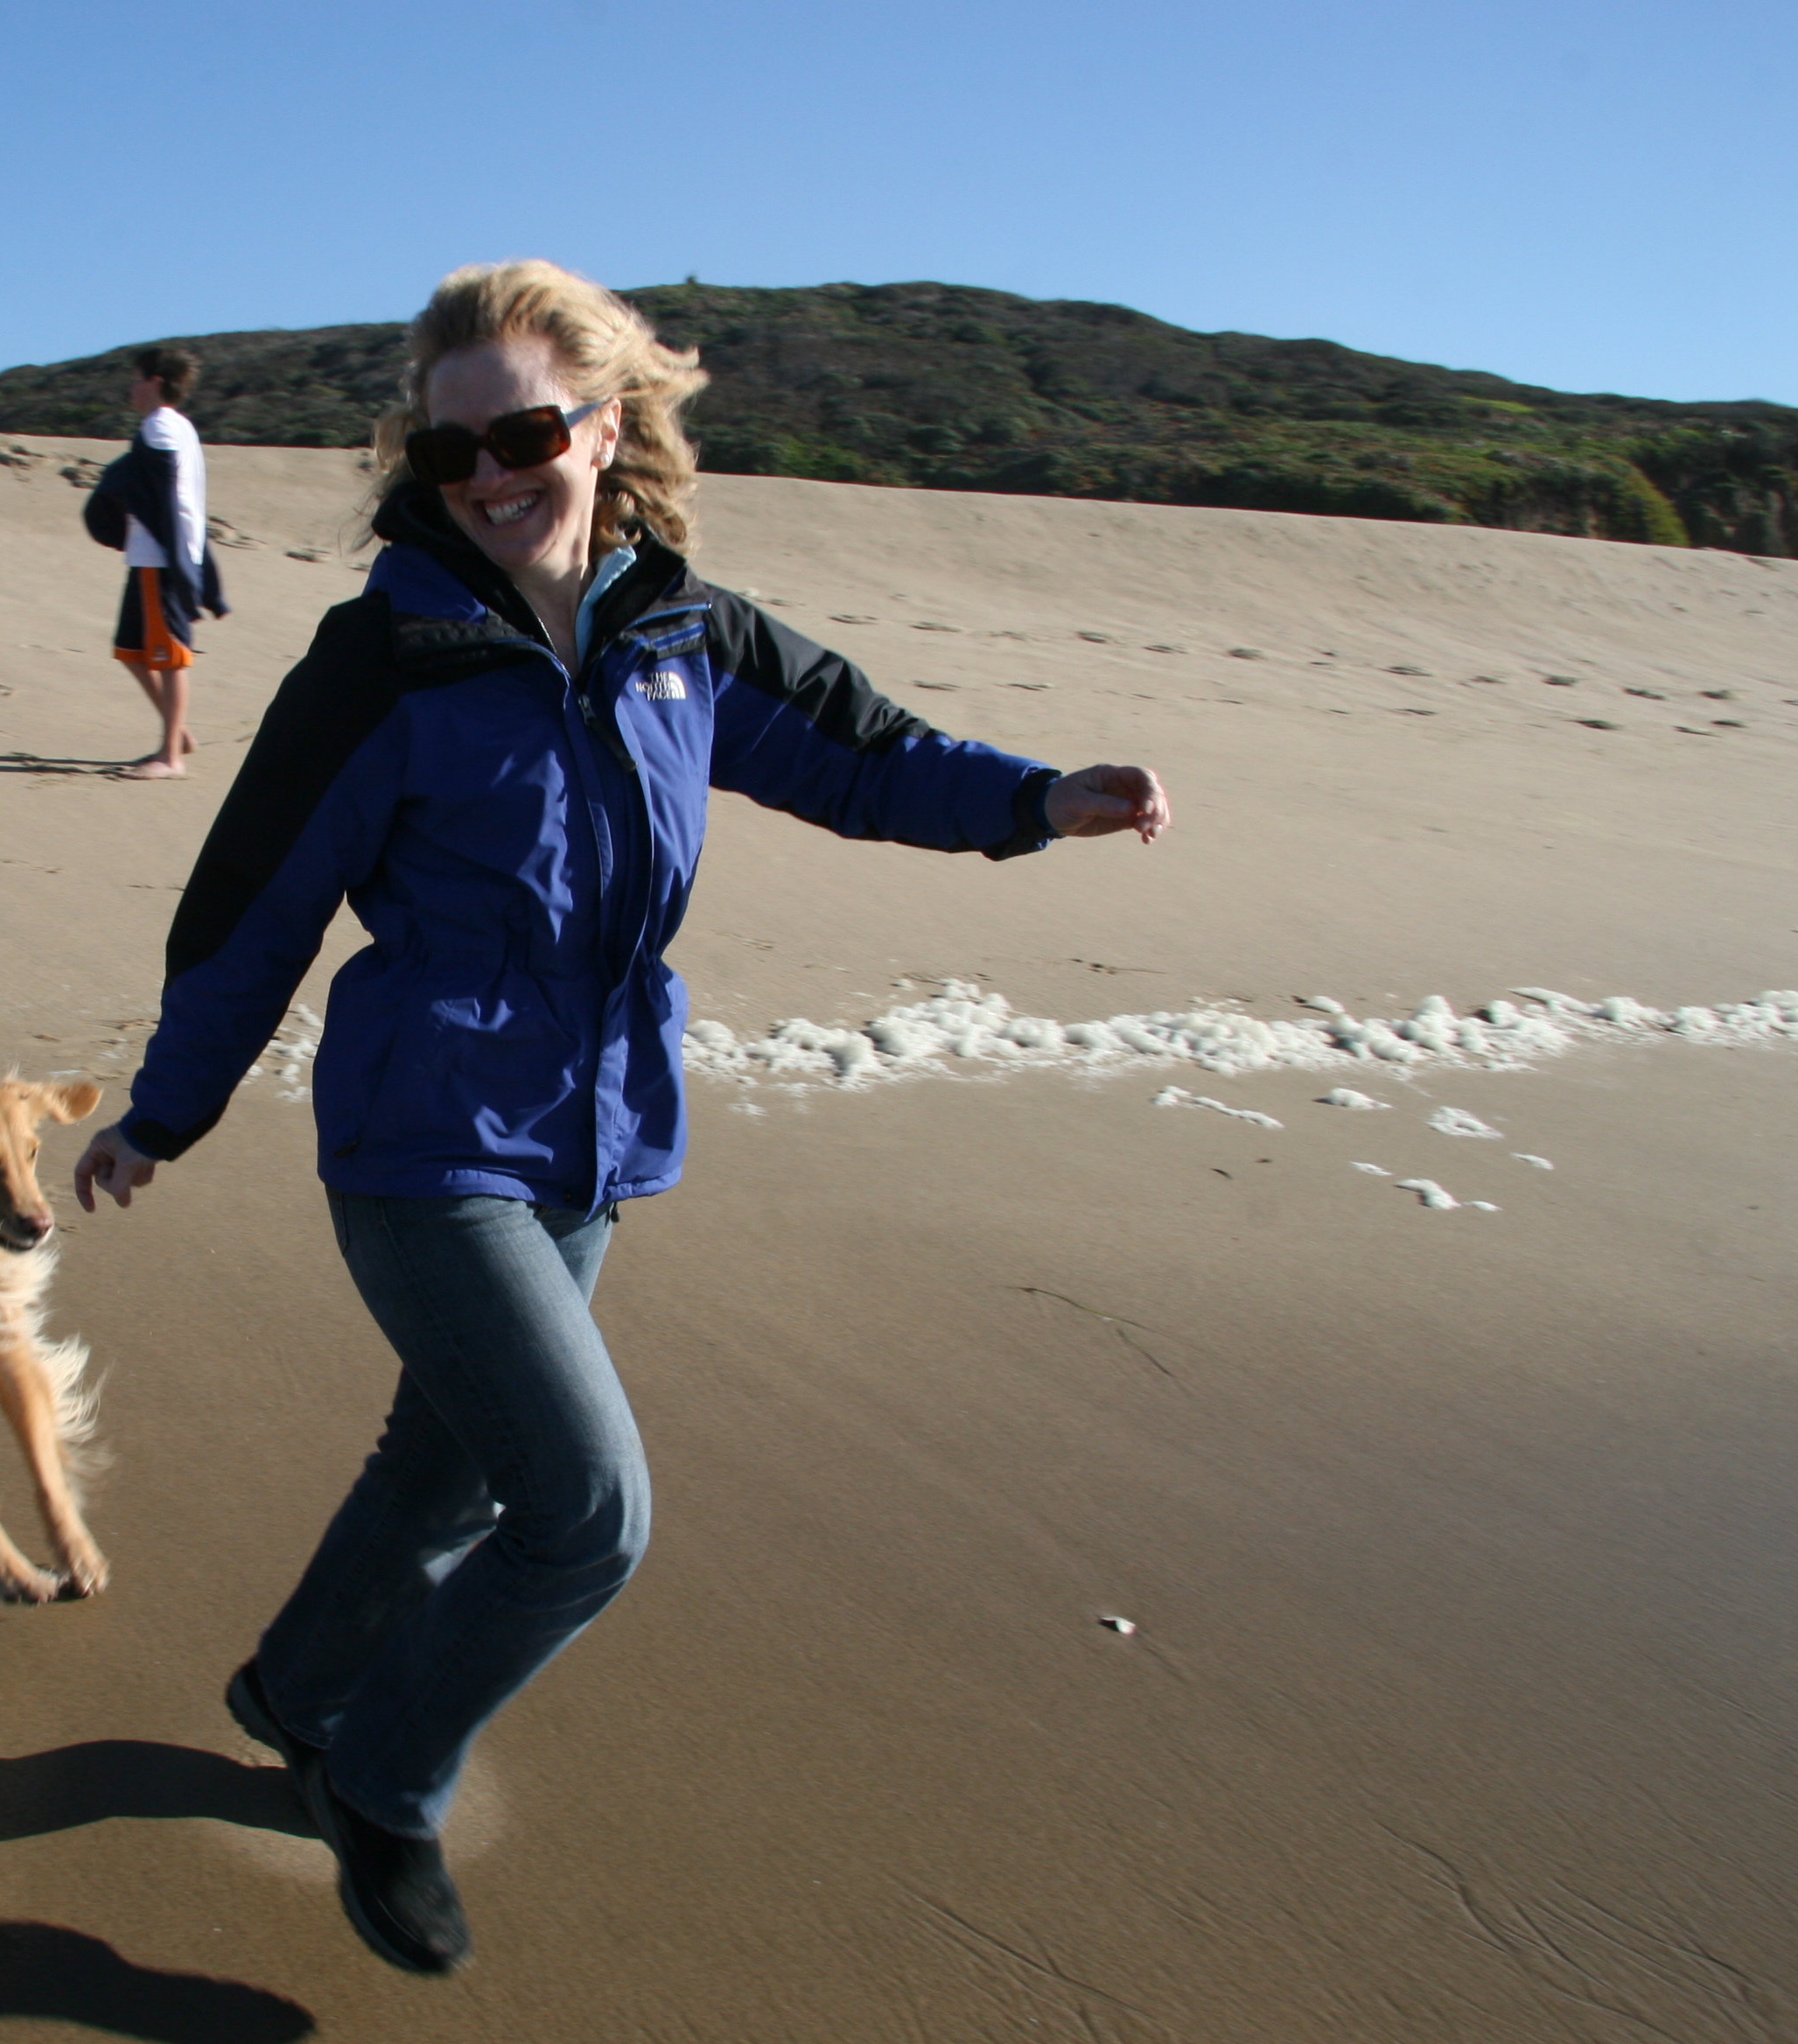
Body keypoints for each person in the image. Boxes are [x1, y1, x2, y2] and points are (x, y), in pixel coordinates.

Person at [72, 262, 1171, 1976]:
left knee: (446, 1464)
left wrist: (1037, 800)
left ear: (602, 428)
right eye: (451, 452)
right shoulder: (386, 662)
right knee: (585, 1511)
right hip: (422, 1146)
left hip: (592, 1131)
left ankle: (294, 1691)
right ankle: (380, 1777)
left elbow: (863, 752)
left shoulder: (682, 632)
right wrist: (166, 1109)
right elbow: (252, 904)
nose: (487, 476)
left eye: (521, 435)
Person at [81, 346, 224, 779]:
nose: (132, 388)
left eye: (137, 379)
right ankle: (178, 734)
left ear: (156, 382)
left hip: (161, 561)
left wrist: (181, 564)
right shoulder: (175, 425)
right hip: (150, 557)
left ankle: (170, 758)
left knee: (169, 656)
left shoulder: (162, 426)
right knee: (131, 650)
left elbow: (163, 498)